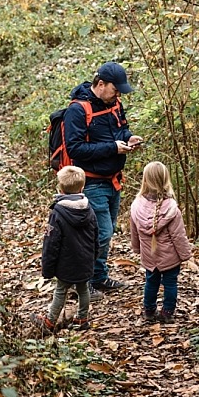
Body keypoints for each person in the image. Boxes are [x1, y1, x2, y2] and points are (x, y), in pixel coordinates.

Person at [62, 61, 142, 293]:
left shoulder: (115, 104)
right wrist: (112, 148)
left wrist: (129, 138)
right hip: (90, 181)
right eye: (115, 89)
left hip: (113, 178)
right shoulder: (77, 110)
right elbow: (74, 149)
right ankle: (81, 283)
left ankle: (98, 277)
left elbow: (121, 130)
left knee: (107, 231)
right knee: (101, 233)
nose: (118, 95)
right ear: (100, 84)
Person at [126, 160, 193, 324]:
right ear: (166, 179)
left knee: (151, 282)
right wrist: (185, 256)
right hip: (169, 257)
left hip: (149, 256)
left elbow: (134, 231)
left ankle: (149, 310)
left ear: (145, 180)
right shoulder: (171, 208)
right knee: (170, 283)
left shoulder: (137, 206)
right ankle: (167, 312)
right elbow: (178, 236)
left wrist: (136, 249)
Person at [41, 164, 97, 331]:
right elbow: (96, 236)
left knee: (60, 291)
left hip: (65, 263)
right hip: (85, 260)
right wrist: (93, 257)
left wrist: (48, 269)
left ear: (61, 188)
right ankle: (82, 318)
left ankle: (50, 321)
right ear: (82, 186)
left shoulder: (57, 213)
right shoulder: (89, 210)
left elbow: (51, 243)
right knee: (83, 289)